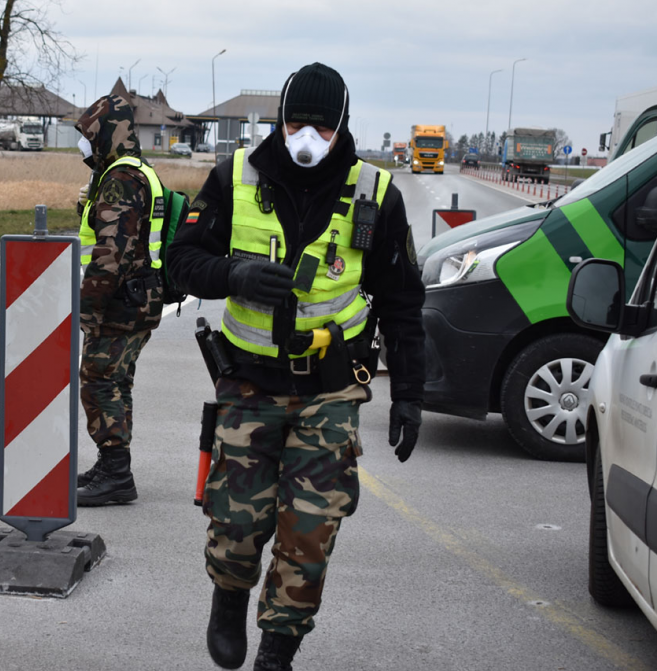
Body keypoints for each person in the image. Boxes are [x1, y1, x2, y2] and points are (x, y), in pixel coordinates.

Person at [167, 63, 425, 670]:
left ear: (342, 127)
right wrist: (233, 273)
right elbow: (180, 261)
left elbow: (403, 304)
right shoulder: (235, 177)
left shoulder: (375, 195)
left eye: (321, 125)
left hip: (331, 388)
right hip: (249, 381)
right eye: (294, 121)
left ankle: (278, 651)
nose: (305, 135)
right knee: (237, 523)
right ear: (278, 120)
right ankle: (228, 598)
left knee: (310, 531)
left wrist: (412, 394)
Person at [73, 95, 165, 506]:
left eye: (89, 134)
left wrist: (87, 308)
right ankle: (112, 463)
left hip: (119, 302)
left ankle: (115, 472)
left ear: (107, 133)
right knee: (117, 382)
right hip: (139, 298)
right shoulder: (135, 172)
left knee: (98, 381)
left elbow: (111, 253)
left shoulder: (120, 180)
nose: (85, 143)